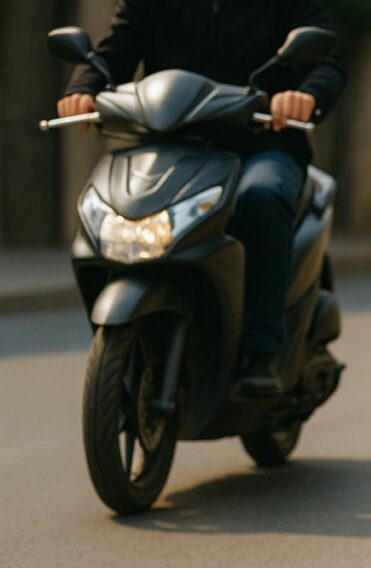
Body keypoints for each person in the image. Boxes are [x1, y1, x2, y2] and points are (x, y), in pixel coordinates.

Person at [57, 0, 346, 398]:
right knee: (117, 199)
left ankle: (261, 351)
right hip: (170, 145)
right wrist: (84, 87)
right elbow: (116, 48)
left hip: (261, 145)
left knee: (260, 197)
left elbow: (326, 62)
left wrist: (306, 95)